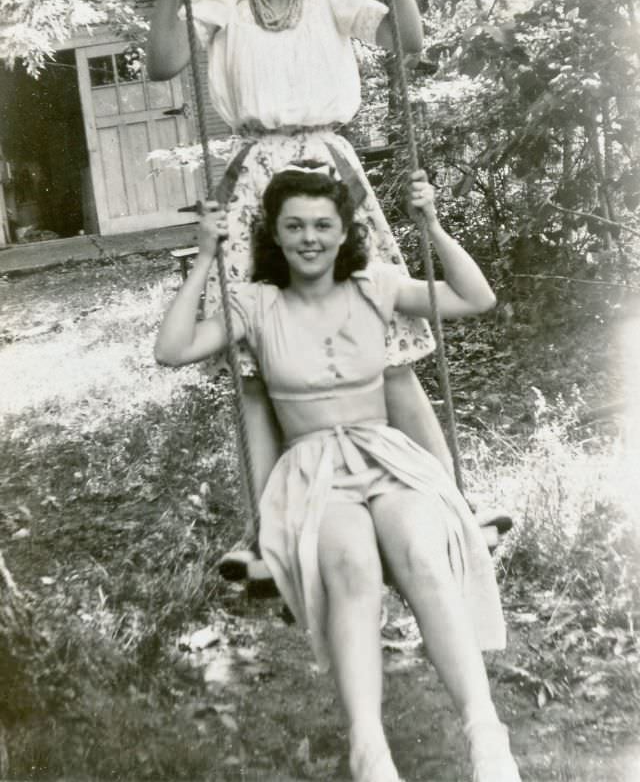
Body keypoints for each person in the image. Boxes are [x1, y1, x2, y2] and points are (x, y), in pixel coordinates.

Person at [154, 164, 521, 782]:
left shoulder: (374, 284)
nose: (310, 238)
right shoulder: (256, 302)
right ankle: (369, 749)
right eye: (294, 226)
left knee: (423, 557)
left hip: (387, 457)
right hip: (314, 467)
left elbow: (476, 299)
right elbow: (171, 349)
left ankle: (485, 732)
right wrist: (204, 258)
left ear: (344, 230)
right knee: (351, 569)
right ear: (273, 233)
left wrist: (430, 224)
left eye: (323, 225)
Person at [146, 0, 452, 576]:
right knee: (257, 361)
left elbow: (408, 40)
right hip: (258, 182)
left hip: (331, 175)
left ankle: (451, 501)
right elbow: (164, 65)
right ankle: (264, 537)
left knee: (389, 342)